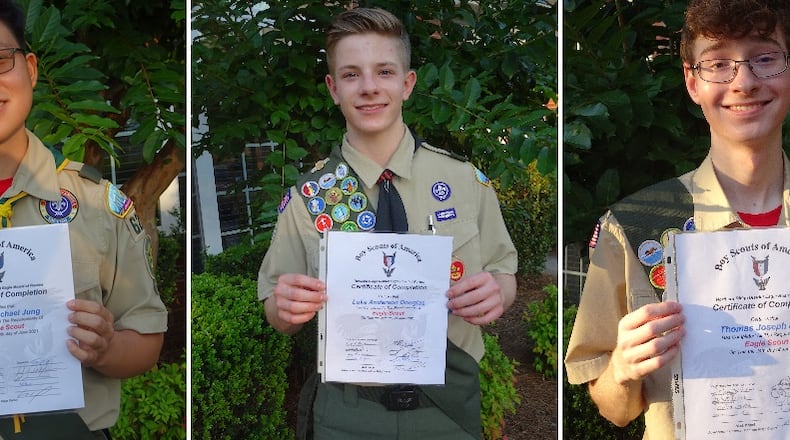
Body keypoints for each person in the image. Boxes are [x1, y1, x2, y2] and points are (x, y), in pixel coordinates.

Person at [258, 7, 517, 440]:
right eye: (352, 75)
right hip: (347, 410)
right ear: (333, 88)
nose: (370, 88)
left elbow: (503, 270)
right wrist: (284, 308)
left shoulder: (462, 181)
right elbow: (275, 307)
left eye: (384, 71)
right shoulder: (311, 197)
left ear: (407, 83)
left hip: (448, 403)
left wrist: (498, 293)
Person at [564, 0, 790, 437]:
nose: (743, 81)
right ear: (692, 82)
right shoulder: (633, 227)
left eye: (765, 58)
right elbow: (613, 409)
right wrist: (624, 368)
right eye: (718, 63)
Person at [0, 1, 168, 437]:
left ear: (30, 69)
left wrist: (106, 347)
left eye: (0, 60)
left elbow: (146, 337)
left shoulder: (94, 203)